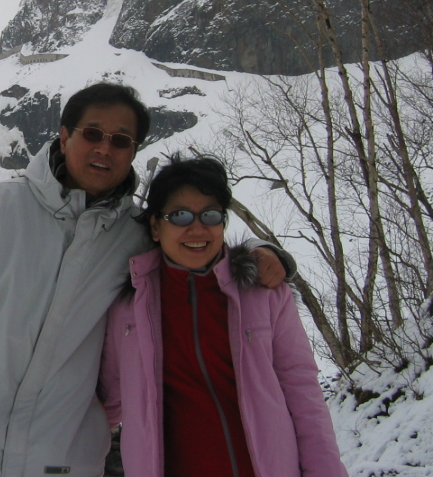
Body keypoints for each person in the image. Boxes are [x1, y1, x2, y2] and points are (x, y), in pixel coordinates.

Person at [0, 83, 292, 477]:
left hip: (63, 462)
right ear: (64, 137)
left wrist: (262, 251)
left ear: (133, 152)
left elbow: (197, 250)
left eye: (121, 140)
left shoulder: (137, 236)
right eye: (92, 134)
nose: (104, 148)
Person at [99, 155, 347, 477]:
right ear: (156, 227)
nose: (197, 228)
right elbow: (106, 403)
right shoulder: (129, 308)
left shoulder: (264, 294)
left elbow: (303, 395)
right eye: (180, 215)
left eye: (211, 215)